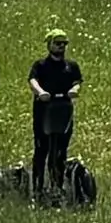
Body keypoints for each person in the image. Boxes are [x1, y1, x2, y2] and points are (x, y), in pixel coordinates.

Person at [26, 28, 82, 196]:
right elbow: (32, 80)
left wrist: (74, 90)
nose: (61, 46)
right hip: (44, 111)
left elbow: (77, 82)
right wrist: (40, 92)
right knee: (41, 150)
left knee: (60, 151)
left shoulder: (71, 66)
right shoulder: (40, 65)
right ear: (49, 45)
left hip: (63, 111)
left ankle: (57, 186)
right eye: (57, 43)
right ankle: (37, 188)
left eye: (64, 44)